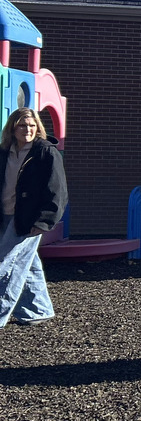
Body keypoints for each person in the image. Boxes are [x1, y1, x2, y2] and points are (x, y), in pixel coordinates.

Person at [0, 108, 67, 328]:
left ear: (38, 127)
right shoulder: (4, 151)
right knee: (27, 264)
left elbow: (57, 190)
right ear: (12, 127)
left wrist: (44, 222)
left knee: (7, 265)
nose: (27, 129)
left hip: (29, 218)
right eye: (22, 125)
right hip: (5, 214)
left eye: (31, 125)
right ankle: (38, 310)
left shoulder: (45, 152)